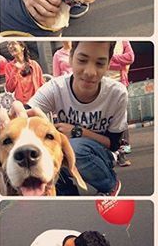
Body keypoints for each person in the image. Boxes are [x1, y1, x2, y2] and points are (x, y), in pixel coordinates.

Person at [27, 41, 126, 196]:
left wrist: (77, 131)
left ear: (108, 65)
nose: (90, 72)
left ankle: (109, 185)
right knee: (47, 152)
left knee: (74, 148)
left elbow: (114, 144)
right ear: (71, 57)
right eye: (82, 60)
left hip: (101, 155)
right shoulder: (56, 88)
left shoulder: (117, 93)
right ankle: (66, 194)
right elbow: (27, 111)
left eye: (100, 63)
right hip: (68, 151)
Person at [106, 41, 135, 167]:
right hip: (104, 85)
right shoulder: (103, 43)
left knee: (122, 119)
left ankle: (122, 154)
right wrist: (121, 62)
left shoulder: (123, 41)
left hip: (121, 84)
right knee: (107, 121)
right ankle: (110, 154)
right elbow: (102, 63)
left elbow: (131, 57)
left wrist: (112, 59)